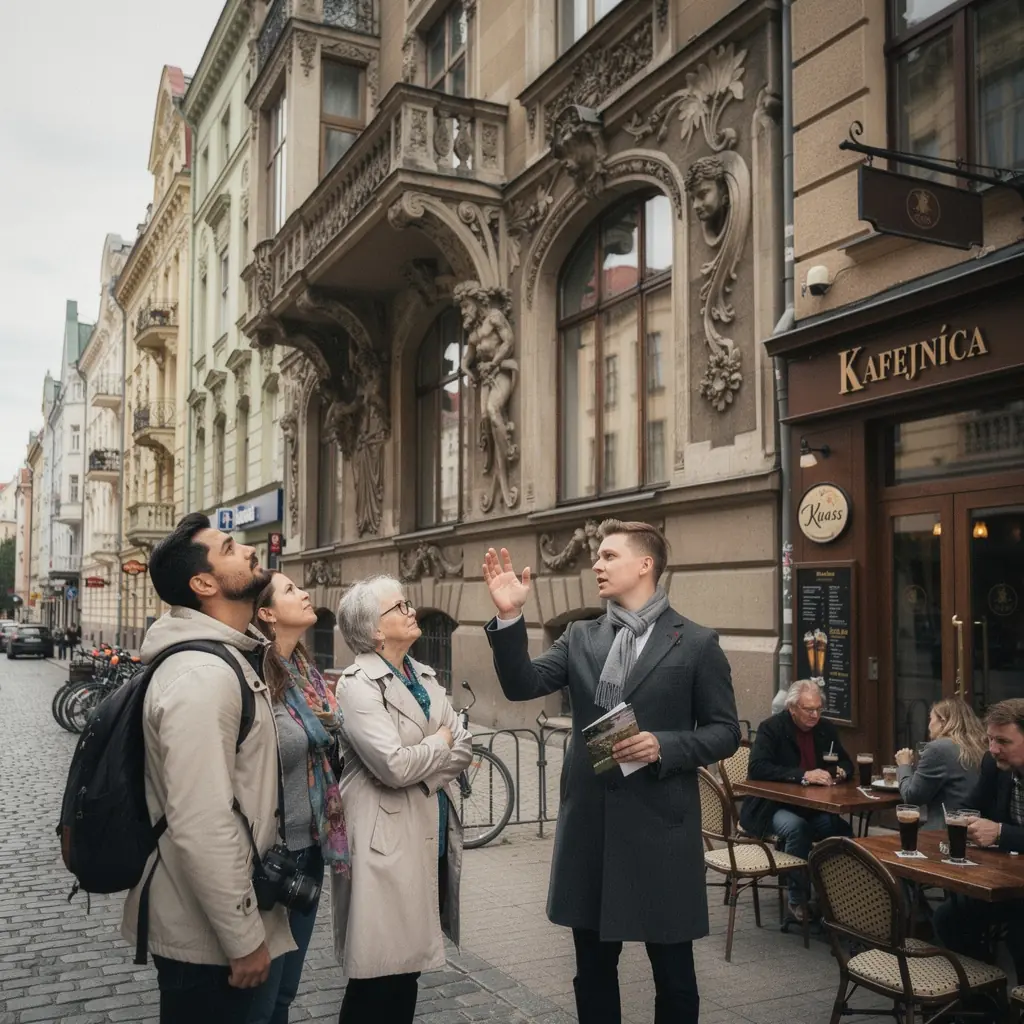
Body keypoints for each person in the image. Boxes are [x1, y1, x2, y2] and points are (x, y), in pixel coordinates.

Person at [483, 520, 741, 1024]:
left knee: (674, 976)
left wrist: (664, 744)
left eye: (607, 556)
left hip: (661, 829)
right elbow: (522, 684)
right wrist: (510, 615)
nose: (595, 565)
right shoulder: (581, 636)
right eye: (597, 557)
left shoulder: (696, 642)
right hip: (592, 828)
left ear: (645, 564)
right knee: (594, 972)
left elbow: (725, 731)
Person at [119, 513, 296, 1023]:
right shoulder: (202, 675)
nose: (246, 550)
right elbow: (201, 821)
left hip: (215, 925)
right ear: (203, 583)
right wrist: (242, 940)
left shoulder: (228, 659)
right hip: (206, 941)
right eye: (229, 547)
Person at [332, 575, 473, 1023]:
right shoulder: (357, 685)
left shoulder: (423, 676)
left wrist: (429, 764)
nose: (412, 611)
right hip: (382, 840)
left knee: (406, 971)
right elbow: (392, 766)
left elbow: (464, 748)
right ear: (375, 629)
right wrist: (440, 743)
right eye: (400, 606)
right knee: (376, 974)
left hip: (423, 826)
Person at [247, 572, 349, 1024]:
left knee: (285, 993)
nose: (305, 593)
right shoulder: (252, 677)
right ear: (266, 613)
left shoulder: (304, 672)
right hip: (269, 857)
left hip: (309, 848)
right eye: (290, 590)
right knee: (262, 997)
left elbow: (329, 733)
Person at [740, 679, 854, 922]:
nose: (815, 715)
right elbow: (758, 767)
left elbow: (846, 763)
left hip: (812, 805)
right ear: (792, 708)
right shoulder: (772, 728)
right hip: (771, 806)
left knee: (840, 830)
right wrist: (802, 775)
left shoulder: (825, 728)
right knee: (797, 829)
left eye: (818, 709)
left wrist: (839, 772)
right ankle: (797, 900)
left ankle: (838, 897)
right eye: (808, 709)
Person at [932, 698, 1024, 982]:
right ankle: (983, 1002)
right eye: (990, 739)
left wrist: (999, 833)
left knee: (1020, 936)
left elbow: (999, 830)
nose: (993, 749)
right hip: (1010, 882)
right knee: (949, 917)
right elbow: (971, 807)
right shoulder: (993, 764)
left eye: (1003, 741)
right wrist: (964, 822)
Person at [893, 697, 986, 828]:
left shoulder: (939, 748)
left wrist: (904, 765)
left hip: (943, 831)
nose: (929, 725)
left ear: (942, 721)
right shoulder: (980, 746)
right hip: (976, 827)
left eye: (931, 719)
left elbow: (912, 798)